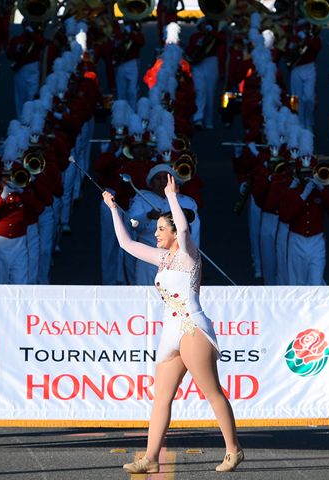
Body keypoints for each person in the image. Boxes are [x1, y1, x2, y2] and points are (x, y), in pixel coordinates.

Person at [103, 177, 243, 473]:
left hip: (192, 328)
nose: (155, 234)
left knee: (211, 391)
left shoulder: (189, 255)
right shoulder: (162, 259)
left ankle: (233, 449)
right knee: (161, 396)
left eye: (160, 229)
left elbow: (183, 228)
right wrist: (113, 209)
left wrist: (171, 197)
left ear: (173, 234)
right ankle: (151, 457)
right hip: (171, 333)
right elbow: (126, 243)